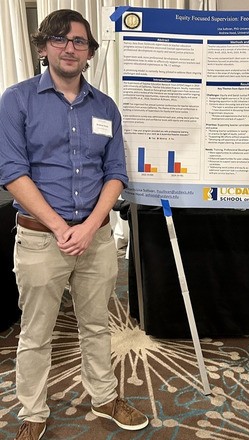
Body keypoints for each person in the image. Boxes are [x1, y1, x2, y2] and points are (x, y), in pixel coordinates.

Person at [0, 9, 149, 440]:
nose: (70, 47)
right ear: (43, 47)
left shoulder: (105, 106)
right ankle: (32, 409)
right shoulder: (17, 99)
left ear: (89, 52)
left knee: (96, 324)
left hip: (96, 238)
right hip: (40, 238)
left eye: (79, 41)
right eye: (60, 39)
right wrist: (59, 227)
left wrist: (88, 228)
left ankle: (104, 396)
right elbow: (11, 171)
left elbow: (115, 173)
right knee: (36, 331)